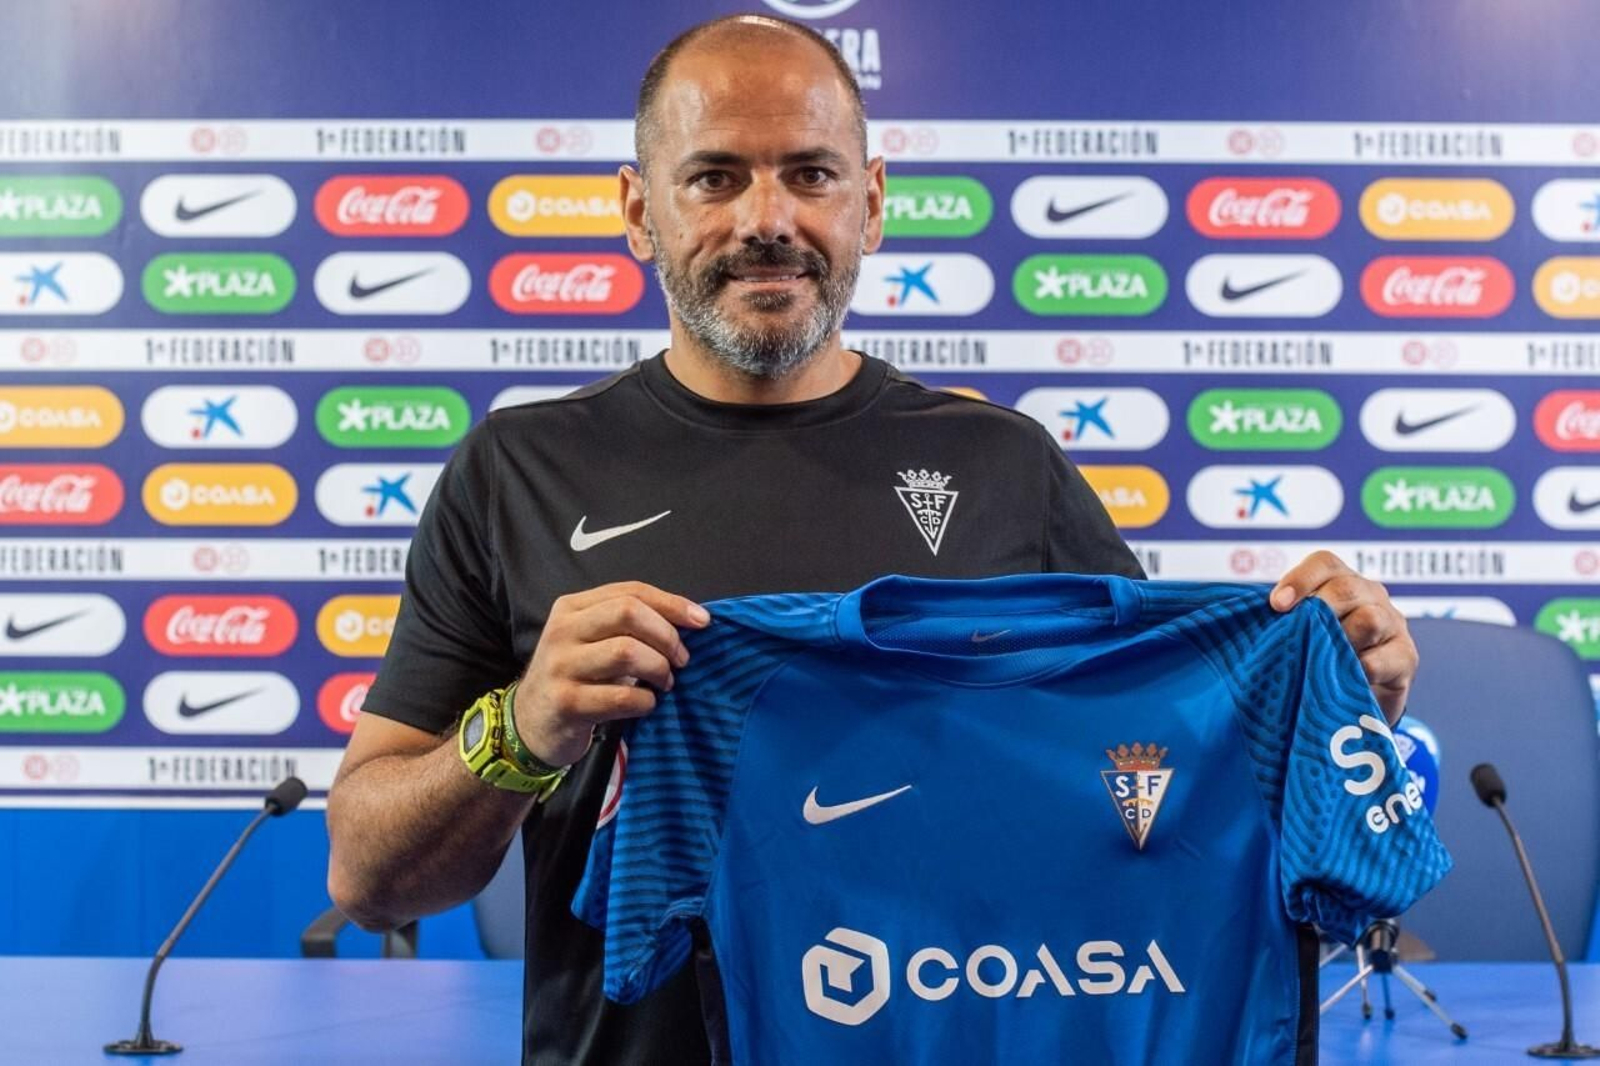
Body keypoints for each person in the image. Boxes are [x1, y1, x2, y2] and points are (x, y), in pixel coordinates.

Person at [325, 14, 1418, 1065]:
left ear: (872, 202)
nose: (768, 218)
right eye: (713, 176)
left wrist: (1327, 700)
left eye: (811, 173)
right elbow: (369, 876)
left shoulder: (1005, 466)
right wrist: (519, 729)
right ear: (637, 207)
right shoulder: (517, 470)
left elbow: (1151, 790)